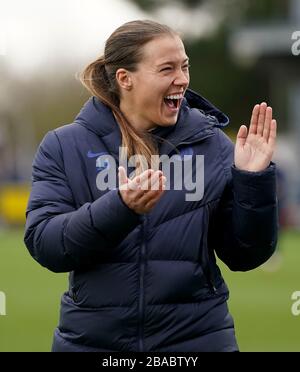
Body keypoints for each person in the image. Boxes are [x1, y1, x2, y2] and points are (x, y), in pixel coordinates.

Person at [24, 20, 278, 352]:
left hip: (197, 342)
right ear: (124, 79)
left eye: (185, 67)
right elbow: (46, 244)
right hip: (93, 344)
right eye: (167, 69)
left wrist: (251, 183)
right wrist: (120, 208)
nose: (182, 79)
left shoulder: (212, 145)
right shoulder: (63, 145)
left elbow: (245, 255)